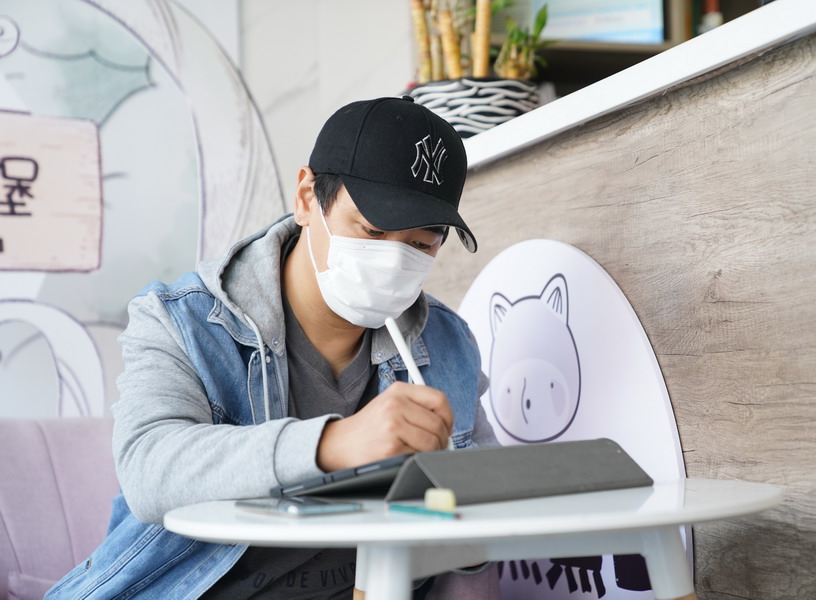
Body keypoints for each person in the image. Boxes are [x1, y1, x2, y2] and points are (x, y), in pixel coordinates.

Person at [46, 96, 499, 599]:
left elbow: (485, 513)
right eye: (372, 230)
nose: (393, 262)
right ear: (306, 198)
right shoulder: (182, 320)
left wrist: (463, 532)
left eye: (421, 244)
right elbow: (148, 470)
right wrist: (332, 444)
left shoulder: (447, 344)